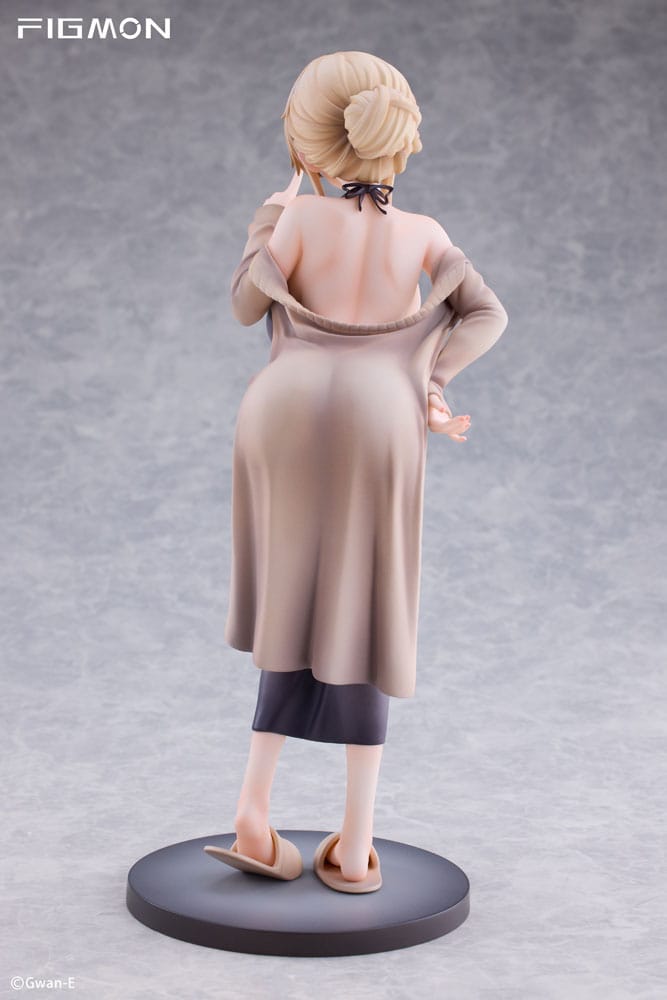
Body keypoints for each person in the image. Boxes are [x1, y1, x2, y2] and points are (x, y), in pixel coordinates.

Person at [204, 51, 508, 892]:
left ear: (311, 144)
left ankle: (253, 809)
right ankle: (356, 841)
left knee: (290, 603)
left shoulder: (295, 220)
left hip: (282, 408)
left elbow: (244, 304)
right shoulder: (423, 233)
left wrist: (269, 217)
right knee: (368, 612)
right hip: (378, 417)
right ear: (395, 140)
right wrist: (430, 379)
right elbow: (486, 313)